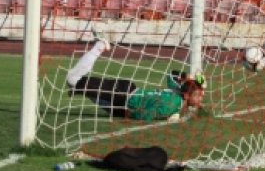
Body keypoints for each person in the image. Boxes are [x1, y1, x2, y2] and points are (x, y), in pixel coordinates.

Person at [66, 36, 205, 121]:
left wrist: (187, 77)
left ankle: (79, 89)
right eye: (198, 96)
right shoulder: (172, 105)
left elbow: (171, 74)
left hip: (124, 98)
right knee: (73, 79)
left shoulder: (176, 90)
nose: (201, 98)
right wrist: (168, 117)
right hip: (123, 95)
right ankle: (99, 46)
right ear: (186, 95)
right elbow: (145, 115)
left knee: (78, 86)